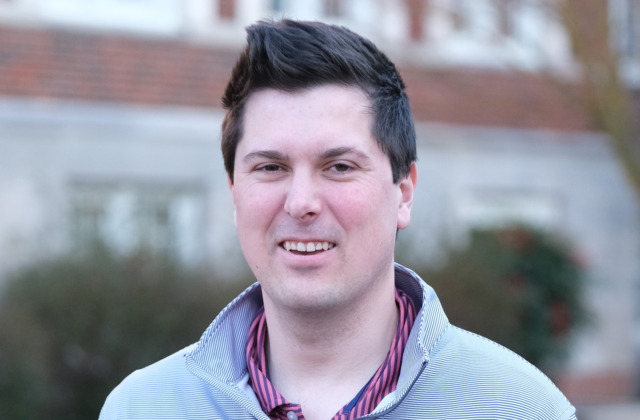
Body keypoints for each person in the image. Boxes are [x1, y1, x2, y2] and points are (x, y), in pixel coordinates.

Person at [99, 19, 577, 420]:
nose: (300, 202)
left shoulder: (520, 408)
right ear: (234, 191)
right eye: (271, 168)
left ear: (404, 191)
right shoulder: (141, 408)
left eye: (339, 167)